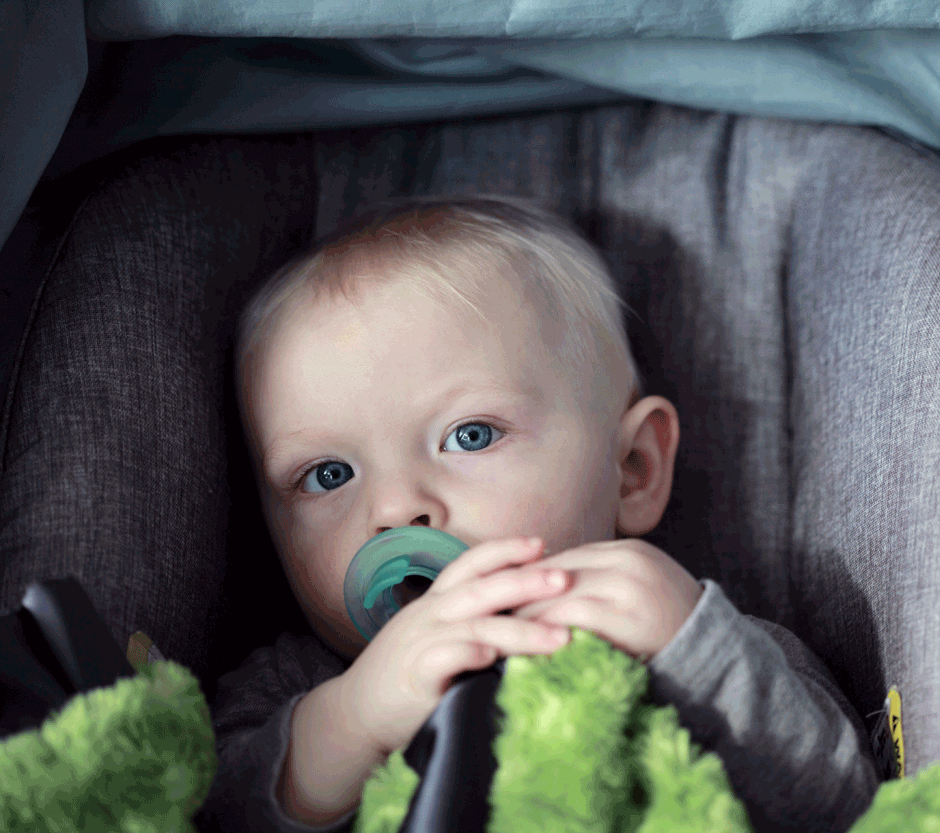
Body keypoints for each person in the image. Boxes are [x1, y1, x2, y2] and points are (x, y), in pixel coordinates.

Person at [198, 196, 880, 832]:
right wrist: (352, 720)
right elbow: (206, 809)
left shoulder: (685, 637)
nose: (395, 507)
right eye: (328, 474)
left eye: (470, 434)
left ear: (633, 467)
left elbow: (848, 801)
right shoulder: (302, 685)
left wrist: (699, 653)